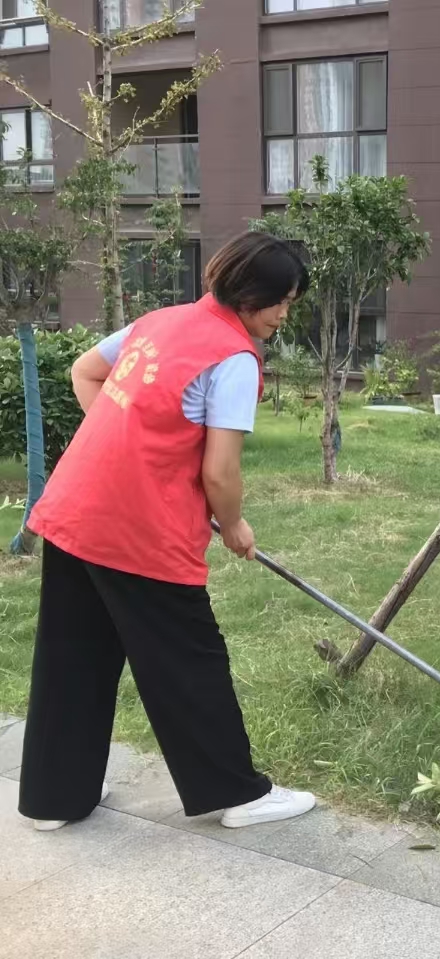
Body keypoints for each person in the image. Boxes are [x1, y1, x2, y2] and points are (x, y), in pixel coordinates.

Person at [18, 231, 318, 832]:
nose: (286, 313)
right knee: (188, 655)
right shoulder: (233, 358)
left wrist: (135, 447)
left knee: (73, 651)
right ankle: (238, 793)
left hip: (75, 508)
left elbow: (87, 374)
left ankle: (57, 797)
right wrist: (232, 524)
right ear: (251, 294)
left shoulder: (161, 321)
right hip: (137, 530)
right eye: (281, 301)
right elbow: (220, 470)